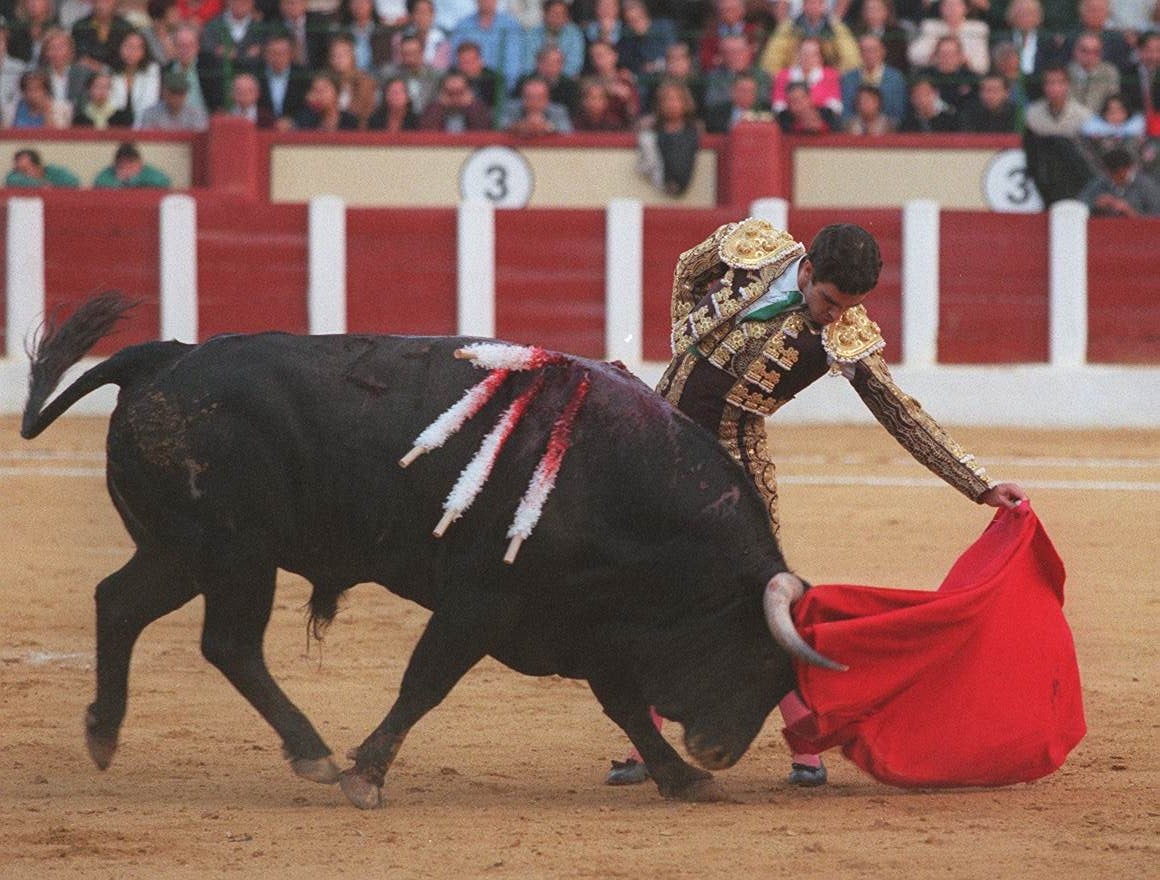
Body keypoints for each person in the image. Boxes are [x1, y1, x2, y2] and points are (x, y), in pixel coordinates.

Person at [605, 218, 1027, 788]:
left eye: (845, 306)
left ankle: (805, 745)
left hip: (731, 459)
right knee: (648, 586)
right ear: (805, 271)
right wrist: (688, 339)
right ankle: (647, 744)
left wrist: (977, 483)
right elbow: (689, 267)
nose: (834, 316)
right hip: (662, 437)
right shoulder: (755, 251)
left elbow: (899, 412)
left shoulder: (843, 336)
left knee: (758, 600)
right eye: (828, 300)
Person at [636, 77, 700, 196]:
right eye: (665, 99)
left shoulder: (693, 130)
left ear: (685, 103)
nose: (670, 104)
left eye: (675, 99)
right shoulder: (650, 130)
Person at [759, 0, 860, 75]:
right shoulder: (788, 27)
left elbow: (850, 57)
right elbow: (772, 59)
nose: (813, 7)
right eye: (809, 3)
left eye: (816, 3)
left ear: (823, 6)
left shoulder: (835, 27)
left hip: (826, 78)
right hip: (795, 77)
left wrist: (836, 76)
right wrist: (782, 77)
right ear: (803, 6)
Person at [449, 0, 523, 97]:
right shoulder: (463, 25)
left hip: (501, 88)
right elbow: (455, 60)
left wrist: (506, 88)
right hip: (466, 89)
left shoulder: (511, 25)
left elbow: (515, 63)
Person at [907, 0, 989, 75]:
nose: (951, 9)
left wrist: (963, 61)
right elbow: (913, 56)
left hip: (965, 76)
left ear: (966, 9)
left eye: (956, 5)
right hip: (935, 75)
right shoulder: (930, 26)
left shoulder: (978, 28)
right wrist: (934, 57)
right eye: (947, 5)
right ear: (941, 8)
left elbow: (982, 66)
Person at [840, 32, 907, 125]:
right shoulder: (848, 78)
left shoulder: (895, 78)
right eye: (864, 50)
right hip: (855, 132)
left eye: (873, 50)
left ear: (883, 51)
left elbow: (898, 112)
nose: (868, 54)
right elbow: (845, 112)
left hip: (887, 132)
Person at [1078, 145, 1160, 214]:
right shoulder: (1101, 182)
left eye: (1119, 174)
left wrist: (1130, 211)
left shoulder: (1147, 186)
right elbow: (1079, 204)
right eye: (1111, 175)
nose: (1114, 179)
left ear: (1128, 168)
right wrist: (1095, 204)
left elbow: (1156, 217)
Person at [771, 35, 842, 115]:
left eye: (813, 54)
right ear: (797, 55)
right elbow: (778, 106)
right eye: (804, 53)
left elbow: (835, 107)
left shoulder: (831, 76)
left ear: (821, 58)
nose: (808, 58)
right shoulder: (783, 76)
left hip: (821, 121)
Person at [256, 30, 312, 128]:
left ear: (291, 54)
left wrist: (292, 122)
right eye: (273, 53)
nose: (278, 58)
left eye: (283, 53)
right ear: (265, 54)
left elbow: (308, 108)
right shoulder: (256, 75)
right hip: (263, 129)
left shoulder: (303, 76)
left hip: (294, 133)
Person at [324, 31, 379, 128]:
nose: (339, 58)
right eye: (335, 55)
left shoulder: (366, 81)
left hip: (357, 134)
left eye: (343, 54)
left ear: (353, 56)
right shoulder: (326, 81)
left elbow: (366, 114)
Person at [109, 29, 161, 127]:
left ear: (144, 51)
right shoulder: (111, 71)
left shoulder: (152, 70)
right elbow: (111, 106)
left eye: (138, 48)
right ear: (119, 47)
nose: (132, 52)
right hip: (115, 128)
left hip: (144, 128)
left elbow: (149, 103)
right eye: (128, 46)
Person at [379, 31, 441, 114]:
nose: (410, 58)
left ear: (422, 53)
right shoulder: (390, 75)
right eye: (406, 54)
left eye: (414, 53)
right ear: (400, 54)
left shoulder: (435, 76)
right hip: (401, 119)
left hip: (427, 120)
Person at [1024, 64, 1093, 135]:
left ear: (1068, 85)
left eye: (1060, 82)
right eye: (1050, 82)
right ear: (1043, 86)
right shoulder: (1031, 113)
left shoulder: (1083, 115)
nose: (1055, 87)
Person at [521, 0, 583, 78]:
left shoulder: (574, 33)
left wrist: (555, 77)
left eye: (562, 14)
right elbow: (528, 63)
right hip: (538, 79)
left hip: (564, 79)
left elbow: (575, 64)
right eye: (553, 13)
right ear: (545, 15)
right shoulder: (533, 33)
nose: (558, 17)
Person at [71, 0, 135, 71]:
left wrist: (105, 69)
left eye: (107, 1)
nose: (102, 5)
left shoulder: (125, 27)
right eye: (99, 1)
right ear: (93, 3)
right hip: (88, 74)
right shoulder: (81, 26)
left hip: (118, 74)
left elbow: (128, 56)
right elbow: (80, 55)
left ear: (116, 3)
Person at [417, 69, 491, 129]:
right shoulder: (433, 110)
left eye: (460, 92)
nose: (455, 98)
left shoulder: (479, 109)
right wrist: (439, 107)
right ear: (442, 92)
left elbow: (483, 130)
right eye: (450, 93)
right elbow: (427, 133)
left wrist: (472, 106)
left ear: (469, 92)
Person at [136, 66, 209, 128]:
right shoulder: (151, 114)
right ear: (164, 92)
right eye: (173, 92)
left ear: (186, 94)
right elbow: (145, 141)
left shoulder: (196, 115)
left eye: (180, 93)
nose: (176, 97)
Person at [501, 72, 572, 134]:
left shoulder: (558, 111)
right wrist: (519, 126)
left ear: (547, 99)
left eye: (539, 98)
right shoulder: (510, 108)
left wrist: (548, 127)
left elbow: (567, 131)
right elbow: (500, 125)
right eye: (529, 97)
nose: (534, 102)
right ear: (522, 97)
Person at [1067, 31, 1121, 113]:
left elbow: (1113, 102)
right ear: (1075, 51)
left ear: (1101, 53)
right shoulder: (1066, 71)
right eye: (1084, 51)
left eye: (1096, 52)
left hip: (1100, 121)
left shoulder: (1109, 72)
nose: (1090, 56)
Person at [703, 70, 772, 132]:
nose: (746, 94)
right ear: (732, 92)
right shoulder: (716, 113)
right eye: (742, 90)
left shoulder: (766, 112)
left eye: (750, 91)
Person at [293, 71, 360, 128]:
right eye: (315, 90)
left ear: (337, 92)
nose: (319, 95)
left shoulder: (350, 121)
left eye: (324, 89)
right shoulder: (306, 120)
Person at [93, 141, 172, 187]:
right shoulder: (107, 174)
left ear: (140, 162)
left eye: (131, 161)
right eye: (122, 162)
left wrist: (135, 181)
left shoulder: (151, 173)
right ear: (116, 163)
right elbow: (98, 183)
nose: (127, 166)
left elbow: (165, 183)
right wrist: (119, 182)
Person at [5, 147, 80, 187]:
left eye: (28, 168)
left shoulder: (54, 171)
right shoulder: (14, 176)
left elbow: (73, 182)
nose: (26, 173)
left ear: (38, 166)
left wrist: (52, 187)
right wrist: (43, 184)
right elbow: (11, 181)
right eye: (21, 170)